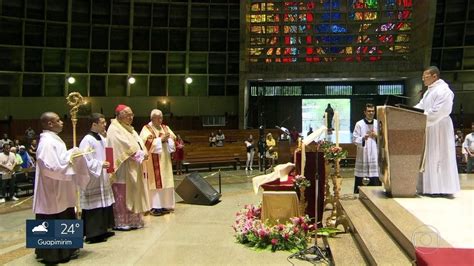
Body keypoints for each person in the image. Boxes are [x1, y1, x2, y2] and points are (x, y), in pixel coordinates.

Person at [33, 112, 89, 264]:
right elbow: (50, 167)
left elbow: (60, 159)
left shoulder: (53, 139)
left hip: (61, 188)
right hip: (52, 189)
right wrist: (70, 161)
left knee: (65, 212)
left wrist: (72, 153)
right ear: (50, 124)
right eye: (58, 120)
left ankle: (68, 249)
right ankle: (53, 254)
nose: (62, 122)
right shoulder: (46, 142)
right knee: (52, 216)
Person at [414, 66, 460, 197]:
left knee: (440, 155)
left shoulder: (443, 90)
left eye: (425, 76)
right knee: (430, 156)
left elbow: (440, 111)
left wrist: (422, 117)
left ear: (435, 76)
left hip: (440, 126)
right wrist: (409, 111)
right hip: (429, 126)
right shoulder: (429, 91)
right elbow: (421, 106)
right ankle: (429, 188)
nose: (423, 78)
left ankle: (442, 188)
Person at [107, 104, 149, 230]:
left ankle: (134, 220)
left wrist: (144, 152)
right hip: (123, 168)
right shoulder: (114, 129)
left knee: (134, 192)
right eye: (128, 115)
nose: (131, 117)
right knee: (123, 194)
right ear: (119, 116)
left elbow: (138, 142)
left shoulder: (129, 128)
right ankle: (123, 222)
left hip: (133, 166)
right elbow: (122, 147)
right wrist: (140, 154)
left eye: (132, 114)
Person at [79, 113, 115, 243]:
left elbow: (108, 152)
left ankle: (103, 230)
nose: (105, 124)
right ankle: (93, 234)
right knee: (94, 206)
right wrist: (100, 164)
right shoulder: (87, 140)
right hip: (93, 178)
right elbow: (85, 160)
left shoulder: (100, 137)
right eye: (102, 122)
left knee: (103, 204)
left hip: (103, 176)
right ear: (94, 124)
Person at [140, 109, 177, 216]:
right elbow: (145, 142)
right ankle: (155, 207)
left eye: (161, 117)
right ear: (152, 118)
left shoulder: (165, 127)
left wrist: (168, 139)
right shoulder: (146, 128)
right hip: (153, 161)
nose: (160, 120)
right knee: (156, 183)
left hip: (165, 160)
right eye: (158, 118)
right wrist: (160, 139)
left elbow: (173, 138)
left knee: (166, 182)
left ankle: (165, 205)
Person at [353, 103, 381, 193]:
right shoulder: (359, 124)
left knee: (375, 177)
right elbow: (354, 139)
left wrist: (376, 135)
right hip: (363, 154)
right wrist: (363, 138)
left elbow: (384, 138)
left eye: (373, 111)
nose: (371, 113)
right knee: (362, 178)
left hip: (374, 154)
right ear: (365, 112)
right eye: (369, 111)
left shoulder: (378, 123)